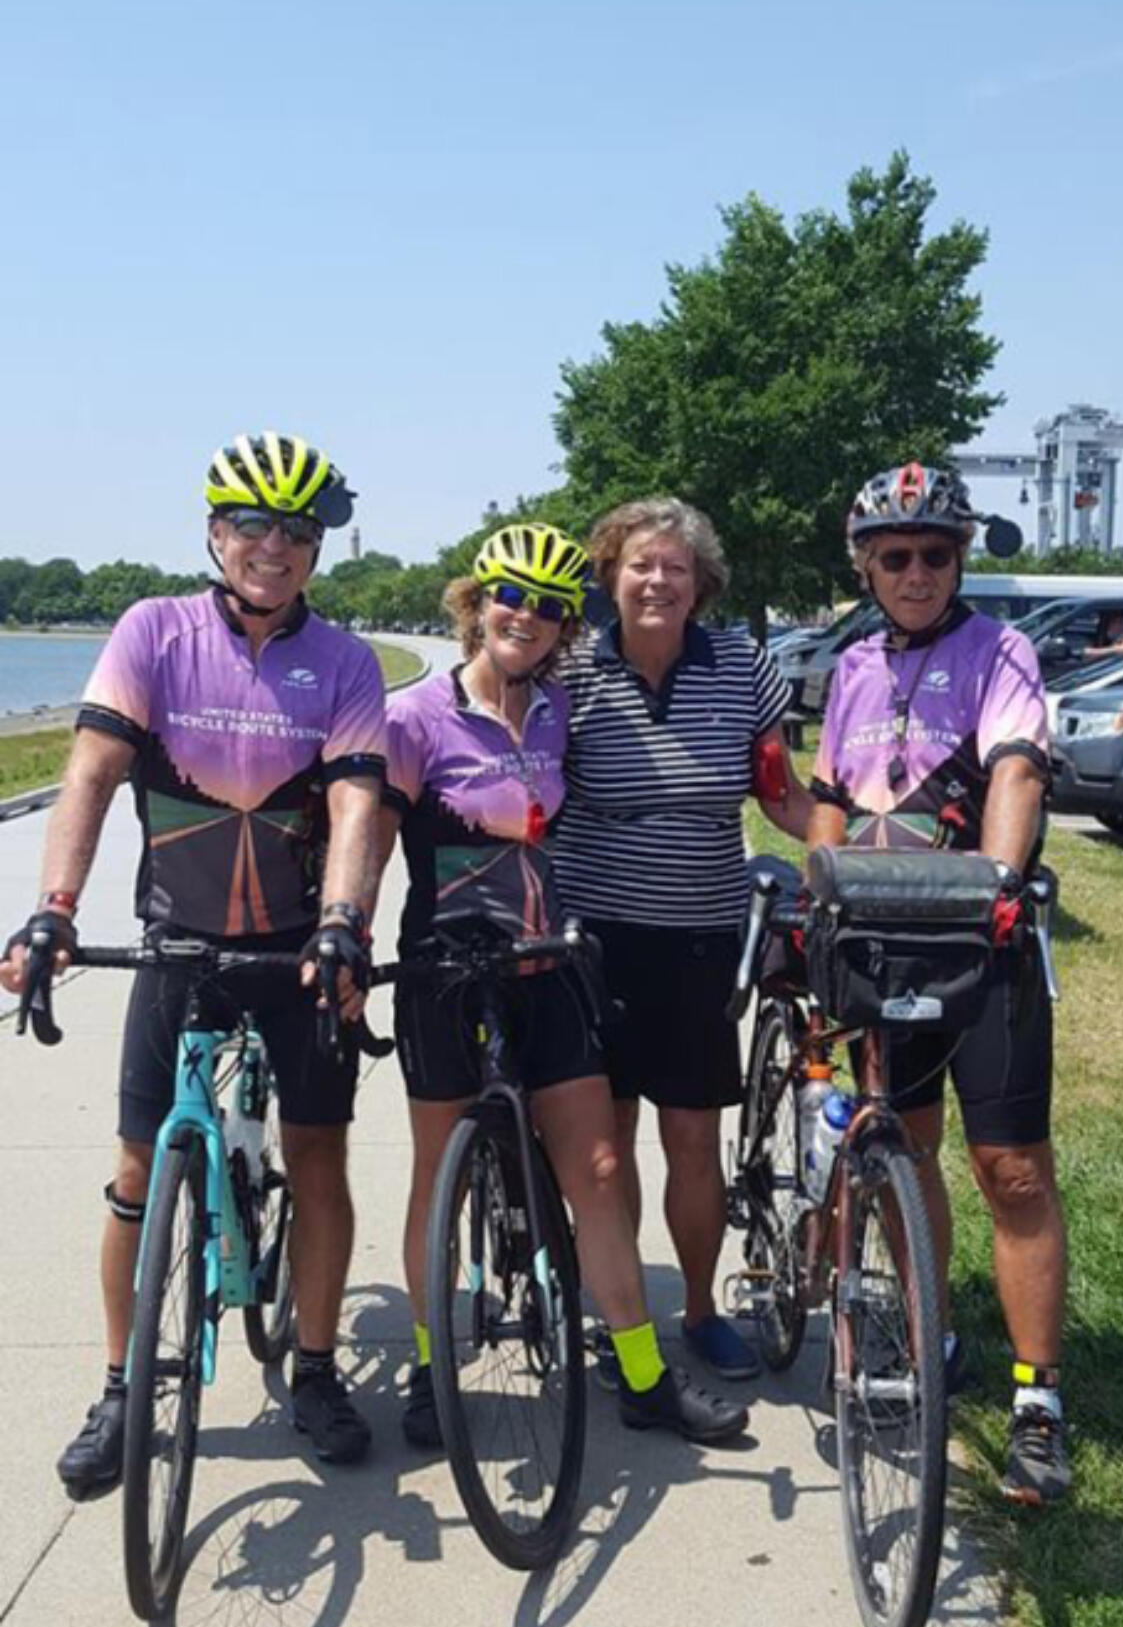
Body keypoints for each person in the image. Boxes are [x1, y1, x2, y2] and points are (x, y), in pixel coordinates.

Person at [0, 434, 387, 1489]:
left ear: (316, 549)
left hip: (299, 948)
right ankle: (124, 1385)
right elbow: (87, 772)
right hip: (178, 939)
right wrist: (53, 910)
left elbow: (356, 798)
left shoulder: (345, 661)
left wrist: (344, 919)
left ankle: (313, 1368)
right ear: (215, 534)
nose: (272, 546)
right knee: (135, 1171)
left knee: (316, 1157)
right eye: (251, 526)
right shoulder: (153, 632)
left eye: (296, 531)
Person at [375, 521, 747, 1449]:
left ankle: (643, 1375)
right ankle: (431, 1370)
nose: (529, 617)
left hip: (546, 967)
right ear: (476, 602)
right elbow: (372, 842)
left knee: (601, 1167)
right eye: (512, 597)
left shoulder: (556, 712)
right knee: (438, 1174)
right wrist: (339, 934)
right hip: (445, 975)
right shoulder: (417, 715)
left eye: (551, 607)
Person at [808, 460, 1071, 1505]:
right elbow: (830, 796)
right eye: (893, 556)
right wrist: (814, 895)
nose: (914, 572)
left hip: (978, 945)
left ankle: (1037, 1401)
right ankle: (929, 1346)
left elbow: (1014, 767)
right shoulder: (852, 668)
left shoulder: (997, 649)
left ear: (958, 560)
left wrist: (997, 887)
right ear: (866, 566)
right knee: (905, 1152)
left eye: (933, 554)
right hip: (876, 943)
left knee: (1009, 1169)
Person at [549, 497, 813, 1383]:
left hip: (700, 934)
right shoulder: (571, 669)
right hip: (591, 939)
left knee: (694, 1136)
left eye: (676, 568)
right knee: (605, 1141)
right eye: (640, 564)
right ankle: (623, 1314)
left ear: (701, 586)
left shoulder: (743, 666)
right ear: (610, 576)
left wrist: (855, 863)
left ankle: (699, 1309)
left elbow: (781, 794)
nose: (658, 580)